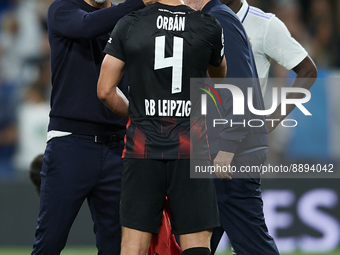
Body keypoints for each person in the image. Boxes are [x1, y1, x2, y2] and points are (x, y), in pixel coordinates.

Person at [97, 0, 227, 254]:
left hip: (142, 148)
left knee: (134, 245)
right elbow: (220, 74)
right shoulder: (208, 25)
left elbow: (104, 90)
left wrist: (137, 113)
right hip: (191, 149)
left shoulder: (129, 24)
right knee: (198, 242)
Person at [30, 0, 152, 254]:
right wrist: (139, 3)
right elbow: (87, 26)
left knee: (116, 246)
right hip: (70, 143)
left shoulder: (129, 13)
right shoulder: (62, 8)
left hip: (118, 145)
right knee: (50, 241)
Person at [205, 0, 318, 254]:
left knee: (242, 233)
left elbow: (307, 70)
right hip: (203, 143)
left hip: (240, 147)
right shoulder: (201, 17)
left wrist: (271, 118)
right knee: (199, 236)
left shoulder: (265, 24)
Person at [182, 0, 277, 254]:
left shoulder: (219, 20)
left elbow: (240, 87)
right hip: (217, 150)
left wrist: (227, 147)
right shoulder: (211, 19)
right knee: (198, 239)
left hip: (231, 155)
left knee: (251, 243)